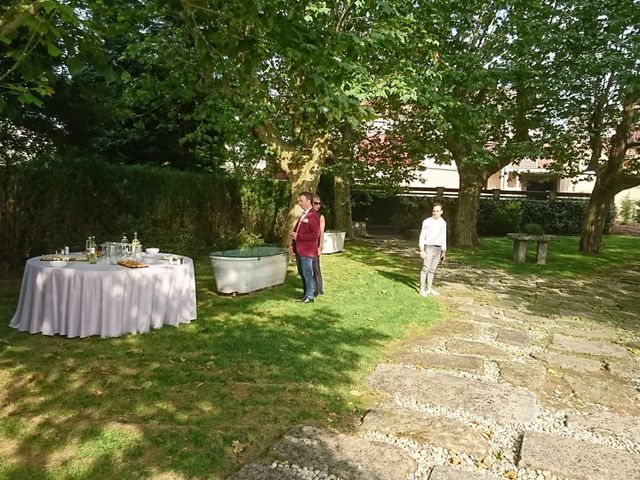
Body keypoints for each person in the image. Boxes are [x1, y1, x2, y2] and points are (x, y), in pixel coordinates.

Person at [289, 191, 320, 303]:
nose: (300, 203)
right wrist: (292, 245)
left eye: (301, 201)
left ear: (308, 201)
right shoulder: (303, 215)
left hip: (307, 251)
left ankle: (310, 296)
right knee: (302, 273)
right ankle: (306, 293)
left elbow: (315, 235)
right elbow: (296, 231)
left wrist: (299, 237)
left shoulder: (313, 216)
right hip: (299, 249)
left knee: (307, 273)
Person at [418, 203, 447, 297]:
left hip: (438, 248)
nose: (435, 213)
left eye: (437, 211)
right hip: (429, 247)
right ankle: (422, 289)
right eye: (434, 211)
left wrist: (444, 251)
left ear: (441, 212)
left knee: (432, 269)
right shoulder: (427, 222)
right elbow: (422, 236)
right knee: (425, 268)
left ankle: (429, 288)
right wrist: (422, 249)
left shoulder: (443, 222)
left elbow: (444, 237)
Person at [311, 194, 326, 297]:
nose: (318, 205)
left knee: (316, 267)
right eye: (315, 203)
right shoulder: (306, 214)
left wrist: (319, 247)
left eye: (319, 203)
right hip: (307, 245)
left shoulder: (320, 217)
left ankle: (318, 289)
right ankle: (312, 287)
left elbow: (321, 233)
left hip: (315, 245)